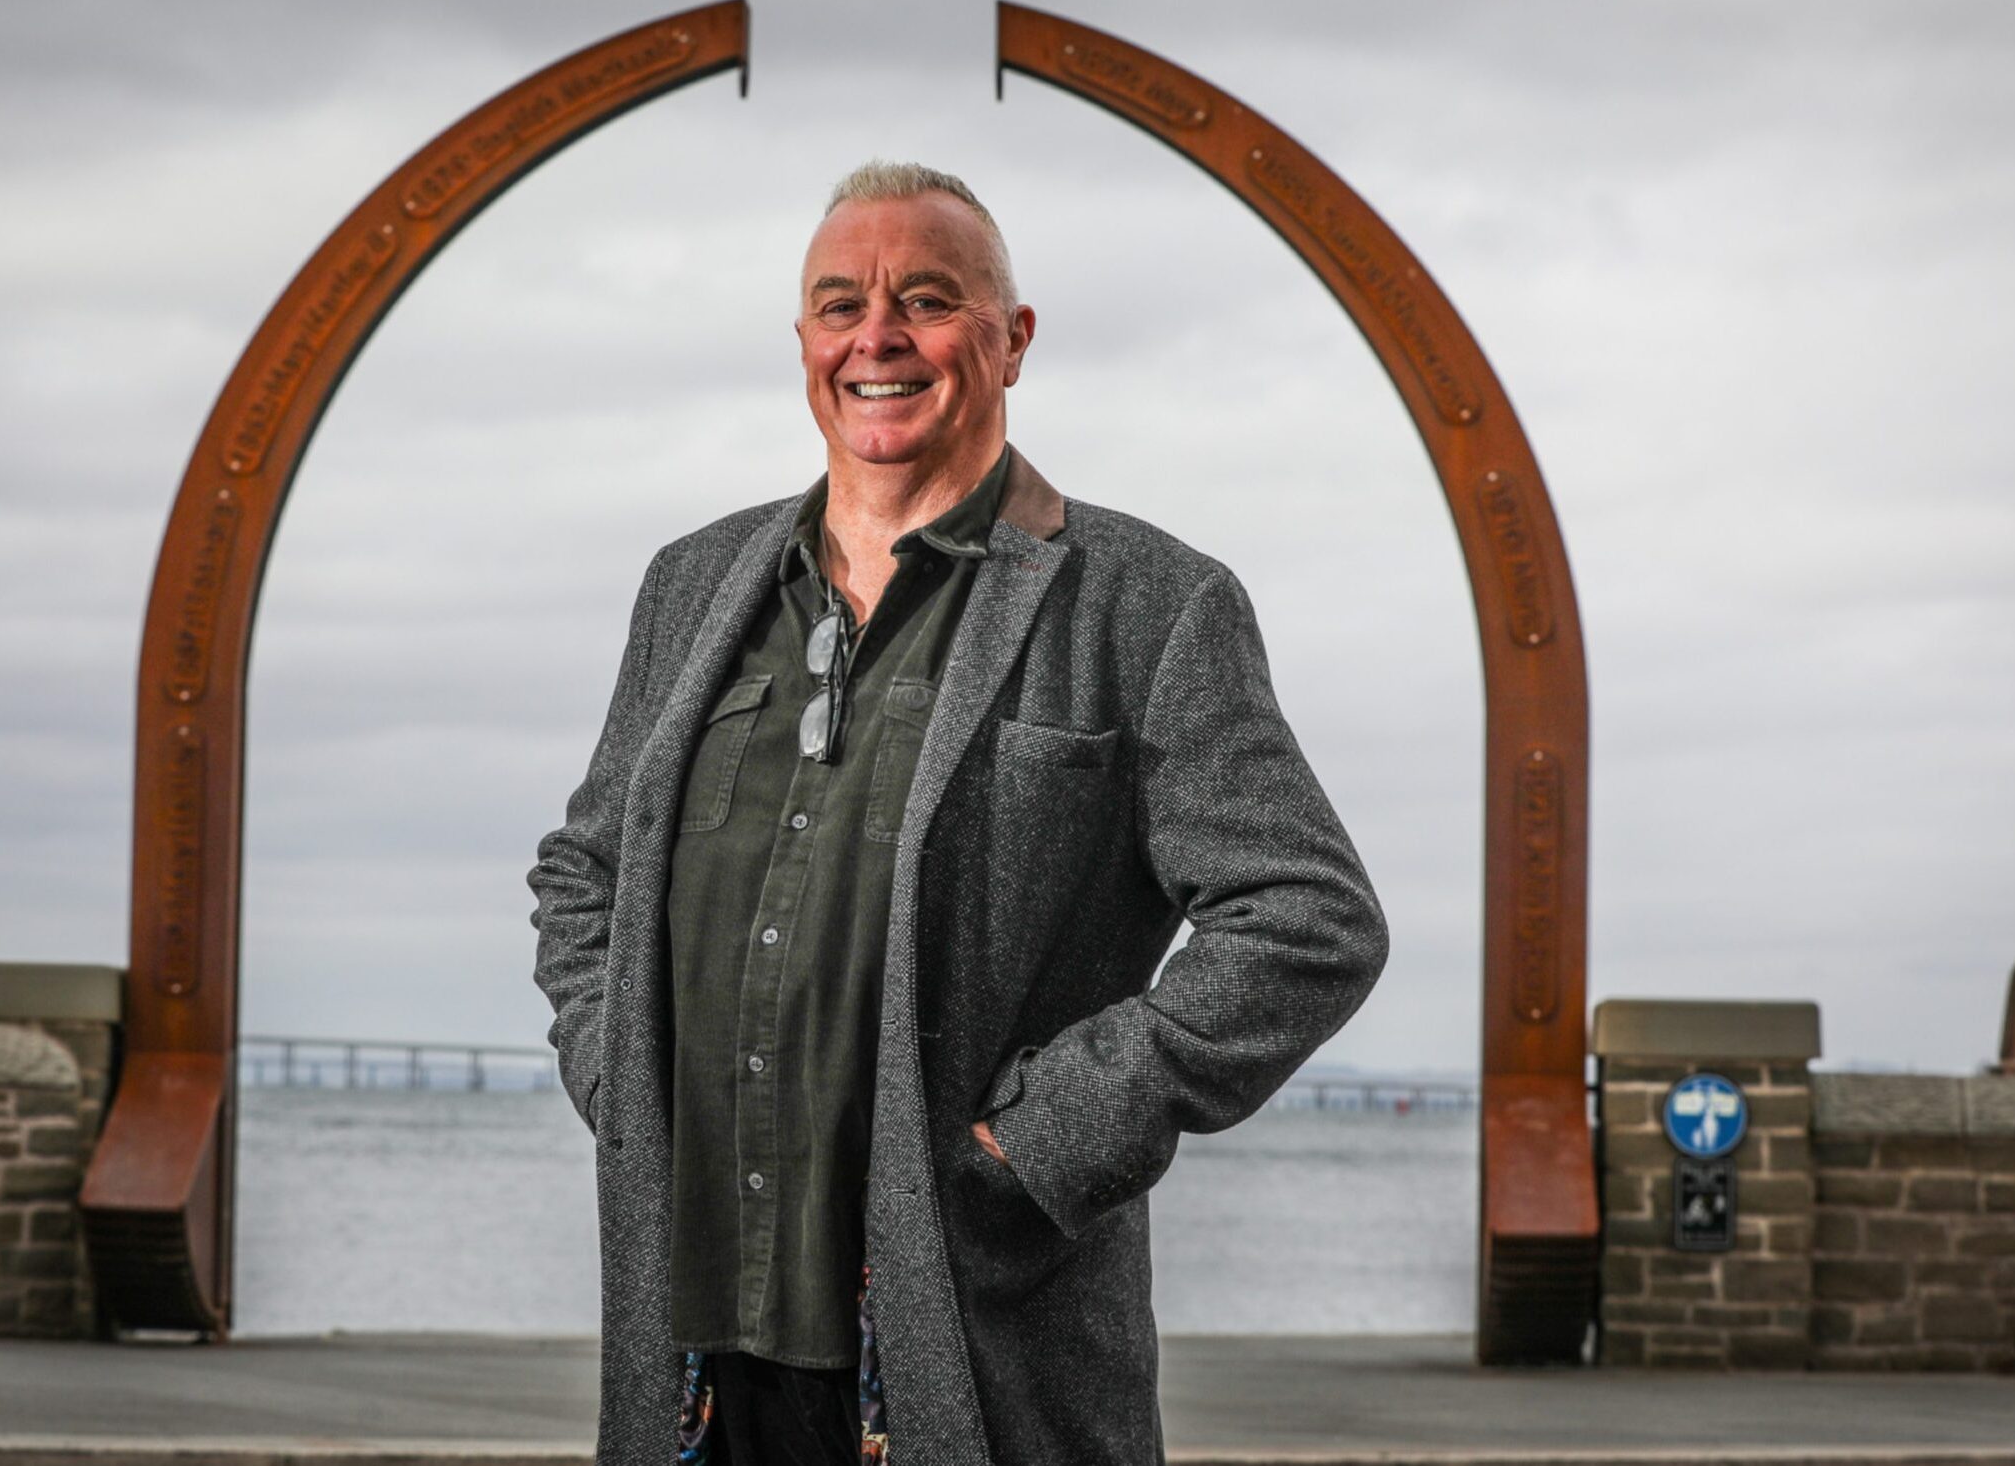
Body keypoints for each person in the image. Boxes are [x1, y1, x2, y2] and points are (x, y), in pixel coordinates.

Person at [528, 161, 1388, 1466]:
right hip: (700, 1353)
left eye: (923, 300)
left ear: (1011, 339)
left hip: (966, 1329)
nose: (874, 336)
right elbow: (583, 873)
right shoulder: (690, 586)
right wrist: (620, 1073)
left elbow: (1306, 921)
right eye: (837, 306)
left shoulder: (1145, 602)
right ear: (805, 345)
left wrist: (1041, 1145)